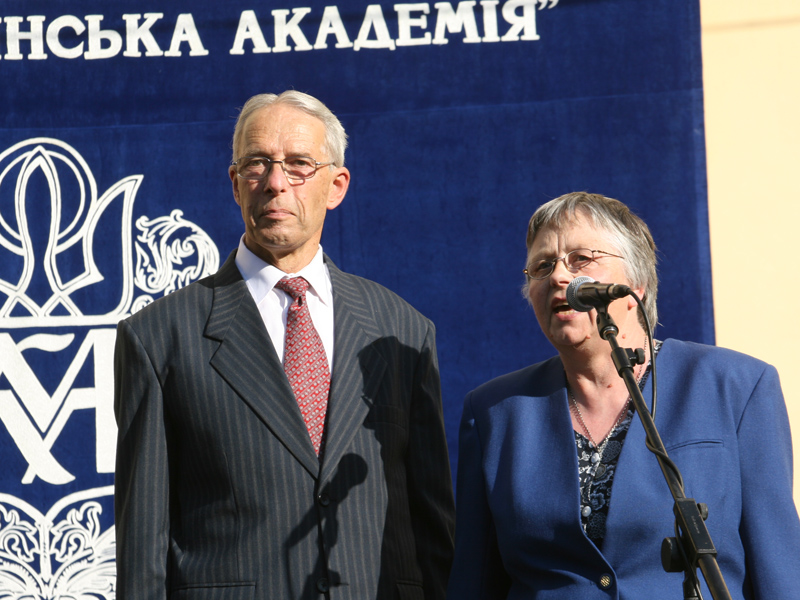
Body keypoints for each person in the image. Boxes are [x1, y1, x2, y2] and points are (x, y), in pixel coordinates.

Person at [114, 90, 455, 600]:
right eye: (257, 164)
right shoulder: (159, 338)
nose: (276, 182)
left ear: (336, 185)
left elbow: (433, 529)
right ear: (235, 184)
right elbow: (142, 551)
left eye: (299, 165)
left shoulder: (402, 329)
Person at [446, 192, 800, 599]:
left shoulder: (735, 386)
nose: (559, 276)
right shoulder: (494, 412)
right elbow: (474, 580)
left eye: (581, 259)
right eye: (542, 266)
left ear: (636, 285)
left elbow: (778, 567)